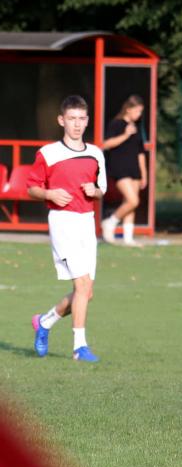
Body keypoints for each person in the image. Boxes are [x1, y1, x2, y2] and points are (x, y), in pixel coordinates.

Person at [27, 95, 107, 362]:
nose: (77, 124)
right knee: (82, 285)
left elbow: (102, 189)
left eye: (81, 119)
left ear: (87, 120)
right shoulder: (48, 153)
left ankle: (44, 321)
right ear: (61, 120)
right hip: (62, 222)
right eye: (71, 119)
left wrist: (94, 190)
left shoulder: (95, 153)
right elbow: (31, 188)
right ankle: (79, 348)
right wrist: (49, 194)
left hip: (87, 223)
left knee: (86, 292)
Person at [100, 95, 146, 246]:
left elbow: (140, 153)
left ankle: (128, 239)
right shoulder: (116, 124)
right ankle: (110, 222)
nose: (139, 114)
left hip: (135, 169)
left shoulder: (137, 127)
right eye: (137, 111)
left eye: (141, 111)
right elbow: (106, 144)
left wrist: (144, 174)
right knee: (133, 200)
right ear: (128, 109)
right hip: (120, 168)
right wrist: (126, 135)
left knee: (130, 203)